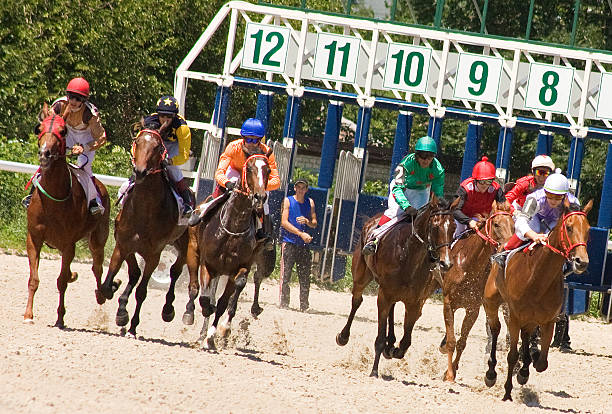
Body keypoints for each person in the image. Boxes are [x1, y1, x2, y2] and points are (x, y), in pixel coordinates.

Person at [23, 77, 107, 215]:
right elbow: (50, 124)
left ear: (84, 100)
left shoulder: (90, 114)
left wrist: (84, 148)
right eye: (71, 97)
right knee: (48, 157)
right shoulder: (58, 105)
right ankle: (32, 195)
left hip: (86, 137)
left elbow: (101, 138)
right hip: (65, 132)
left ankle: (93, 201)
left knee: (84, 167)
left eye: (78, 99)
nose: (73, 101)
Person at [362, 135, 445, 256]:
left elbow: (437, 193)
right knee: (395, 212)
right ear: (416, 155)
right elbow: (397, 189)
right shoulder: (406, 164)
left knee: (424, 217)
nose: (426, 160)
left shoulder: (438, 170)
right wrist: (406, 206)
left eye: (430, 156)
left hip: (421, 191)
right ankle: (374, 239)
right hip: (401, 189)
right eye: (422, 156)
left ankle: (432, 250)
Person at [214, 118, 281, 249]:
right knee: (224, 192)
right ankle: (204, 215)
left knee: (264, 201)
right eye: (248, 139)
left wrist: (259, 186)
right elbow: (219, 172)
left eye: (255, 140)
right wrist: (226, 183)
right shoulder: (233, 147)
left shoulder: (267, 152)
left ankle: (264, 233)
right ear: (243, 137)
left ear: (260, 140)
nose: (251, 143)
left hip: (255, 179)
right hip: (235, 173)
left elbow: (276, 181)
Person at [143, 95, 194, 215]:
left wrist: (170, 161)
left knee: (173, 170)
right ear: (157, 114)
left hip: (173, 145)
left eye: (169, 116)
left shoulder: (182, 128)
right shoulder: (149, 121)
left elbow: (184, 155)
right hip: (154, 144)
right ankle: (126, 191)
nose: (165, 119)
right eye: (162, 115)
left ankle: (187, 203)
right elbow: (139, 144)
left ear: (174, 116)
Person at [278, 179, 318, 311]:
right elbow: (284, 222)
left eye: (303, 187)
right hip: (289, 242)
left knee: (305, 276)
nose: (301, 190)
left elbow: (314, 223)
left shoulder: (310, 202)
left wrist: (307, 221)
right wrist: (300, 233)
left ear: (306, 189)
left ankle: (304, 305)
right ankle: (284, 303)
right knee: (286, 275)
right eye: (298, 187)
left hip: (303, 244)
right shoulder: (288, 201)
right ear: (295, 188)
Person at [452, 156, 506, 239]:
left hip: (484, 220)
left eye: (488, 181)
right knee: (459, 231)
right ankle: (452, 246)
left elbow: (503, 208)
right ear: (475, 180)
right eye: (481, 181)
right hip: (463, 219)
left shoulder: (496, 188)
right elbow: (455, 210)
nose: (484, 185)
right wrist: (469, 221)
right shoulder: (465, 188)